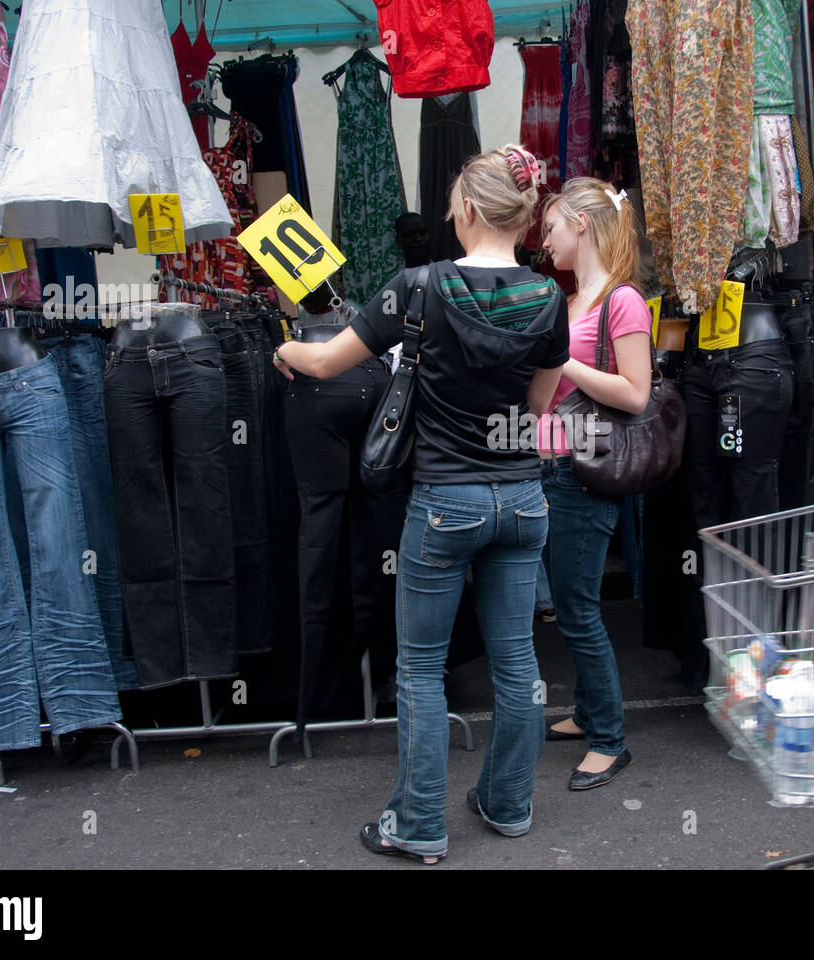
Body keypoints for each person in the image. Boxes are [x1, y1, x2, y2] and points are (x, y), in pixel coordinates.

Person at [274, 145, 568, 864]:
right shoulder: (548, 297)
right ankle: (507, 806)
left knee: (421, 670)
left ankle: (419, 824)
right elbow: (537, 403)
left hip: (446, 503)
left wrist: (281, 349)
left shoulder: (419, 287)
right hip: (522, 500)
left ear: (466, 209)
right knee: (516, 662)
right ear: (523, 213)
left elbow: (322, 361)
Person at [536, 177, 653, 791]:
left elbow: (635, 394)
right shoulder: (574, 298)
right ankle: (587, 715)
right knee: (571, 601)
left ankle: (611, 738)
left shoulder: (621, 300)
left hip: (586, 472)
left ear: (581, 225)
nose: (545, 239)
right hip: (558, 467)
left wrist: (560, 360)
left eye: (551, 226)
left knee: (578, 609)